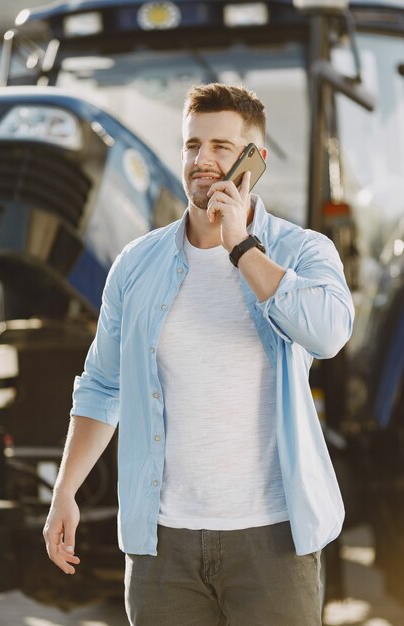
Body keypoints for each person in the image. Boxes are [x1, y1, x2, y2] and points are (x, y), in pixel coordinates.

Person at [43, 83, 354, 626]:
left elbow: (328, 333)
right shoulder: (137, 265)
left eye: (221, 148)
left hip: (274, 542)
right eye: (192, 146)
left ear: (252, 161)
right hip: (165, 548)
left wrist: (241, 248)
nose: (202, 161)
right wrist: (64, 491)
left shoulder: (302, 251)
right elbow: (101, 386)